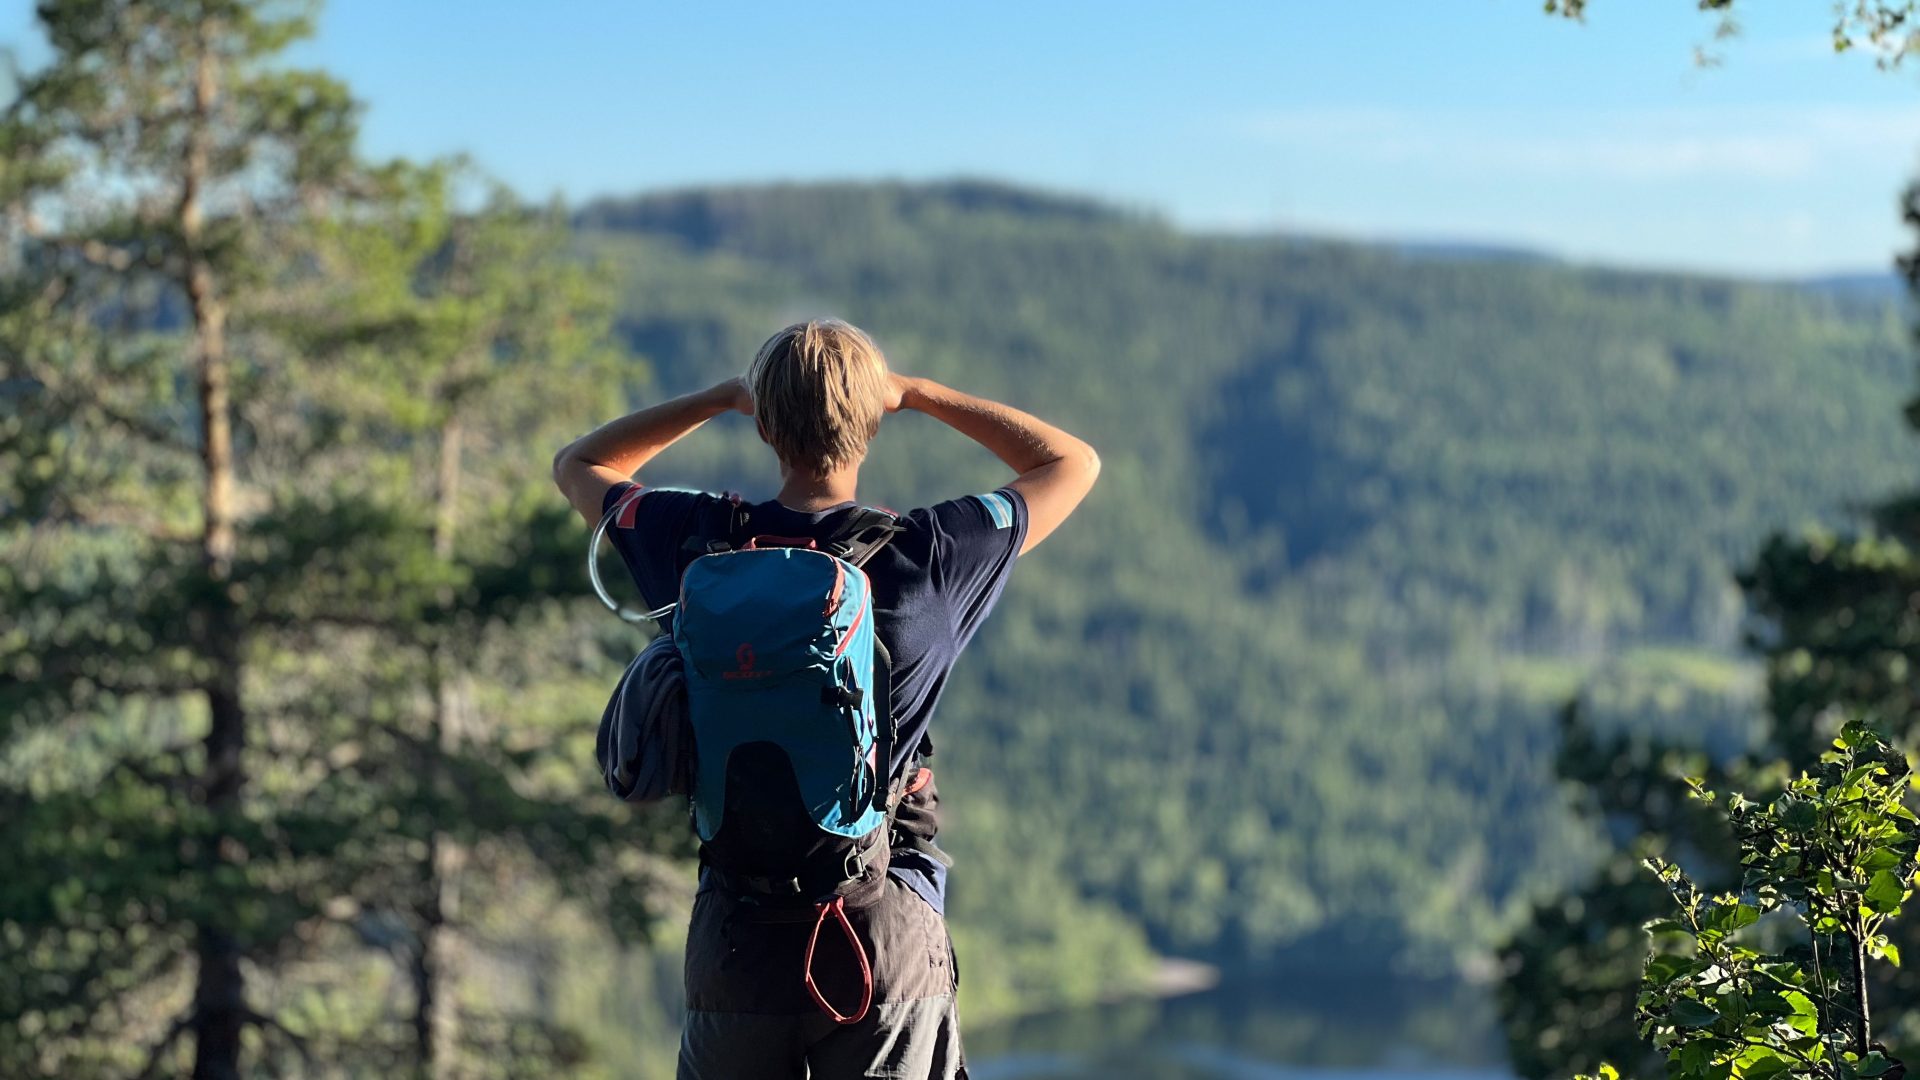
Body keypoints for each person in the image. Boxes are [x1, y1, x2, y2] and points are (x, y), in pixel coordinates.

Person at [552, 319, 1099, 1079]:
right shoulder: (930, 553)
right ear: (872, 422)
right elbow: (1071, 462)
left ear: (764, 427)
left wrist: (719, 398)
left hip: (736, 941)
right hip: (880, 938)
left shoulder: (694, 540)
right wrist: (917, 393)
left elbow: (581, 463)